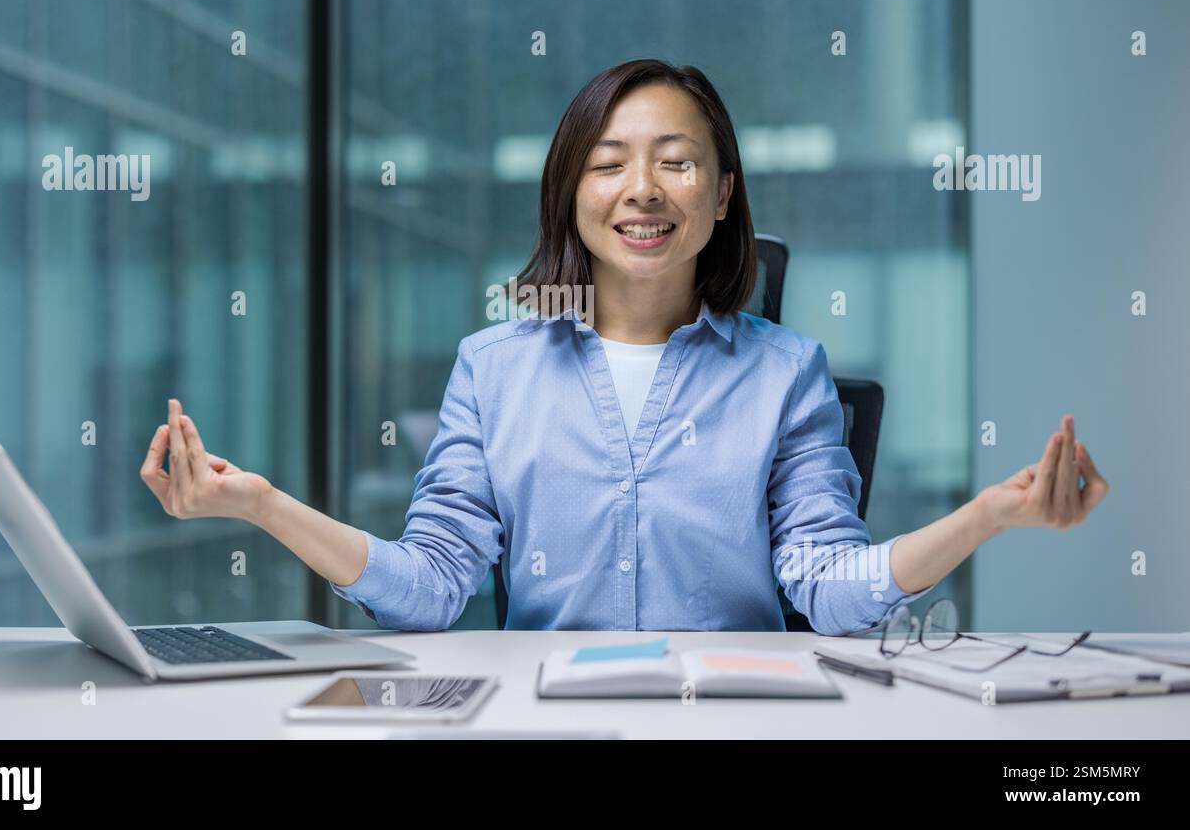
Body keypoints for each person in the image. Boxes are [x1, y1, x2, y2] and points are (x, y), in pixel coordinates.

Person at [139, 59, 1108, 634]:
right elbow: (430, 589)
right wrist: (259, 505)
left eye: (676, 163)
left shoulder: (785, 372)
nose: (641, 189)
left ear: (721, 195)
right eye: (607, 165)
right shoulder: (495, 366)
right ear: (570, 192)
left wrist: (984, 516)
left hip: (740, 723)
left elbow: (829, 589)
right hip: (543, 720)